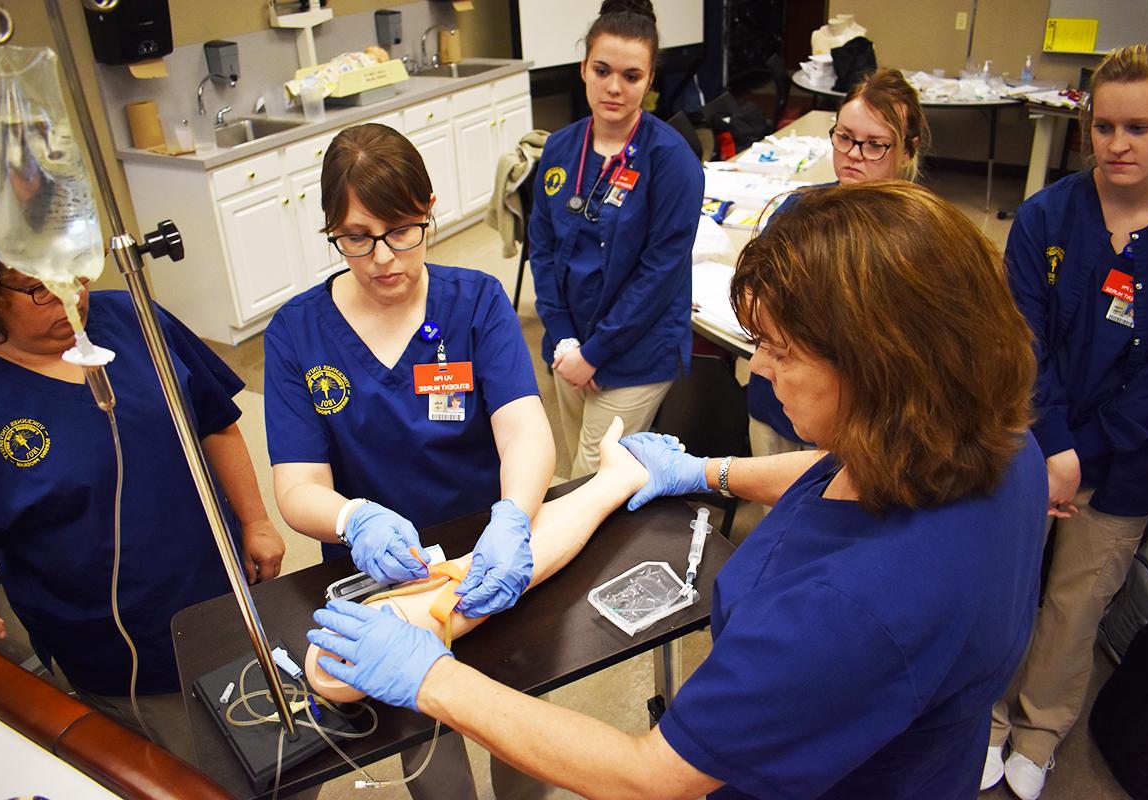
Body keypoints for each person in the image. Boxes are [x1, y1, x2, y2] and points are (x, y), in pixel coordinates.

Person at [305, 182, 1048, 799]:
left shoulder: (847, 612)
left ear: (882, 369)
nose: (758, 372)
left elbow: (648, 776)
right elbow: (844, 474)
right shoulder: (1006, 451)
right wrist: (706, 472)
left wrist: (429, 677)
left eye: (781, 353)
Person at [263, 123, 554, 798]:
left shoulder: (475, 302)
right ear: (332, 230)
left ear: (428, 209)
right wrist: (355, 518)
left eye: (402, 230)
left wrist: (513, 520)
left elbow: (525, 432)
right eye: (357, 237)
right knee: (425, 739)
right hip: (381, 582)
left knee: (519, 722)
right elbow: (298, 486)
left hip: (486, 561)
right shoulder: (298, 333)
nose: (384, 258)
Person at [0, 187, 285, 764]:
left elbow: (215, 422)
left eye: (76, 271)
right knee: (196, 774)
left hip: (226, 602)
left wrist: (255, 520)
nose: (71, 297)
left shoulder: (135, 317)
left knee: (284, 755)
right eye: (39, 287)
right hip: (122, 654)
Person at [984, 43, 1148, 800]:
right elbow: (1023, 342)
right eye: (1105, 125)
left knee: (1076, 602)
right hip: (1032, 443)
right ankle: (986, 718)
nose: (1118, 144)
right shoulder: (1045, 217)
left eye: (1141, 127)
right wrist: (1052, 445)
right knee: (1008, 583)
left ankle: (1040, 728)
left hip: (1125, 465)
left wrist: (1082, 455)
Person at [529, 0, 704, 478]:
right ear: (583, 68)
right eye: (602, 69)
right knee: (578, 457)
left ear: (649, 81)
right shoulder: (561, 147)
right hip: (569, 345)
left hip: (636, 352)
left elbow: (660, 275)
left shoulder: (671, 161)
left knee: (594, 474)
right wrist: (565, 339)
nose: (613, 87)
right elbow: (542, 250)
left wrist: (594, 353)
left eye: (631, 75)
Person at [747, 68, 929, 462]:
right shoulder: (799, 208)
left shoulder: (919, 235)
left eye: (875, 145)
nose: (853, 155)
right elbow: (753, 296)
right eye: (844, 137)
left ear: (908, 149)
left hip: (856, 426)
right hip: (775, 406)